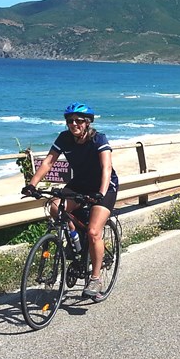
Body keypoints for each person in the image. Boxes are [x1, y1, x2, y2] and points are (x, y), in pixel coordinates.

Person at [22, 102, 119, 298]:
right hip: (79, 184)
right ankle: (75, 241)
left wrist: (100, 193)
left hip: (104, 186)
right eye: (70, 121)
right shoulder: (64, 138)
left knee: (93, 231)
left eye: (78, 121)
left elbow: (106, 169)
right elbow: (48, 162)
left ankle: (95, 278)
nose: (74, 124)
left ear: (87, 123)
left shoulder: (98, 139)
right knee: (55, 207)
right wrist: (32, 184)